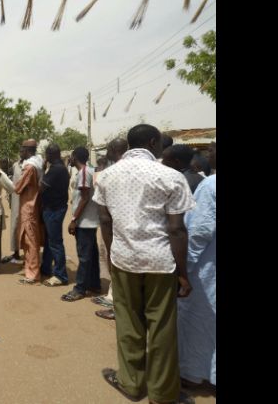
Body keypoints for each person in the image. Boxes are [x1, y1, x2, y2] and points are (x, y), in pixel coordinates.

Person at [94, 124, 195, 404]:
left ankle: (132, 383)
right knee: (161, 328)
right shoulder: (171, 177)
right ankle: (163, 394)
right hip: (160, 262)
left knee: (128, 323)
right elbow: (176, 230)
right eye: (160, 144)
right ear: (153, 142)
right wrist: (183, 274)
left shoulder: (106, 176)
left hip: (124, 259)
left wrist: (113, 256)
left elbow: (104, 221)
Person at [177, 142, 216, 393]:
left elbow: (199, 231)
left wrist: (183, 270)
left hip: (206, 270)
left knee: (197, 321)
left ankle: (192, 375)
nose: (208, 154)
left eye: (213, 150)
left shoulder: (211, 186)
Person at [92, 138, 128, 320]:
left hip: (116, 229)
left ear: (113, 150)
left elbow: (104, 216)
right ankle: (112, 296)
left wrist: (109, 240)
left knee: (114, 261)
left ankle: (116, 302)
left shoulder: (109, 174)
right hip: (129, 230)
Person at [61, 147, 101, 301]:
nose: (69, 159)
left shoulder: (84, 173)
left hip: (84, 222)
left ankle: (80, 288)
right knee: (91, 254)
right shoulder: (89, 171)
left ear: (75, 157)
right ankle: (94, 284)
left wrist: (73, 220)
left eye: (71, 156)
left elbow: (84, 198)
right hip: (89, 221)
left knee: (84, 256)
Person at [5, 144, 44, 264]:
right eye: (20, 151)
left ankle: (29, 258)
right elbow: (13, 183)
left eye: (23, 151)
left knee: (28, 228)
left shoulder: (32, 166)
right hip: (16, 199)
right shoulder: (15, 165)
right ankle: (16, 252)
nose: (21, 153)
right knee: (15, 224)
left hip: (28, 200)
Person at [15, 140, 46, 285]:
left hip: (29, 206)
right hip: (34, 204)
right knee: (29, 239)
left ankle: (33, 274)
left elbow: (18, 187)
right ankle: (29, 268)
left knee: (31, 240)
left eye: (23, 150)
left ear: (27, 150)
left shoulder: (30, 167)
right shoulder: (38, 162)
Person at [39, 143, 71, 287]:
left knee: (55, 242)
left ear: (51, 155)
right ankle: (46, 268)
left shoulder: (56, 169)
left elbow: (41, 188)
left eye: (47, 154)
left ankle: (60, 275)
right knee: (49, 240)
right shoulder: (59, 168)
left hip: (54, 209)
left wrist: (42, 170)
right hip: (54, 208)